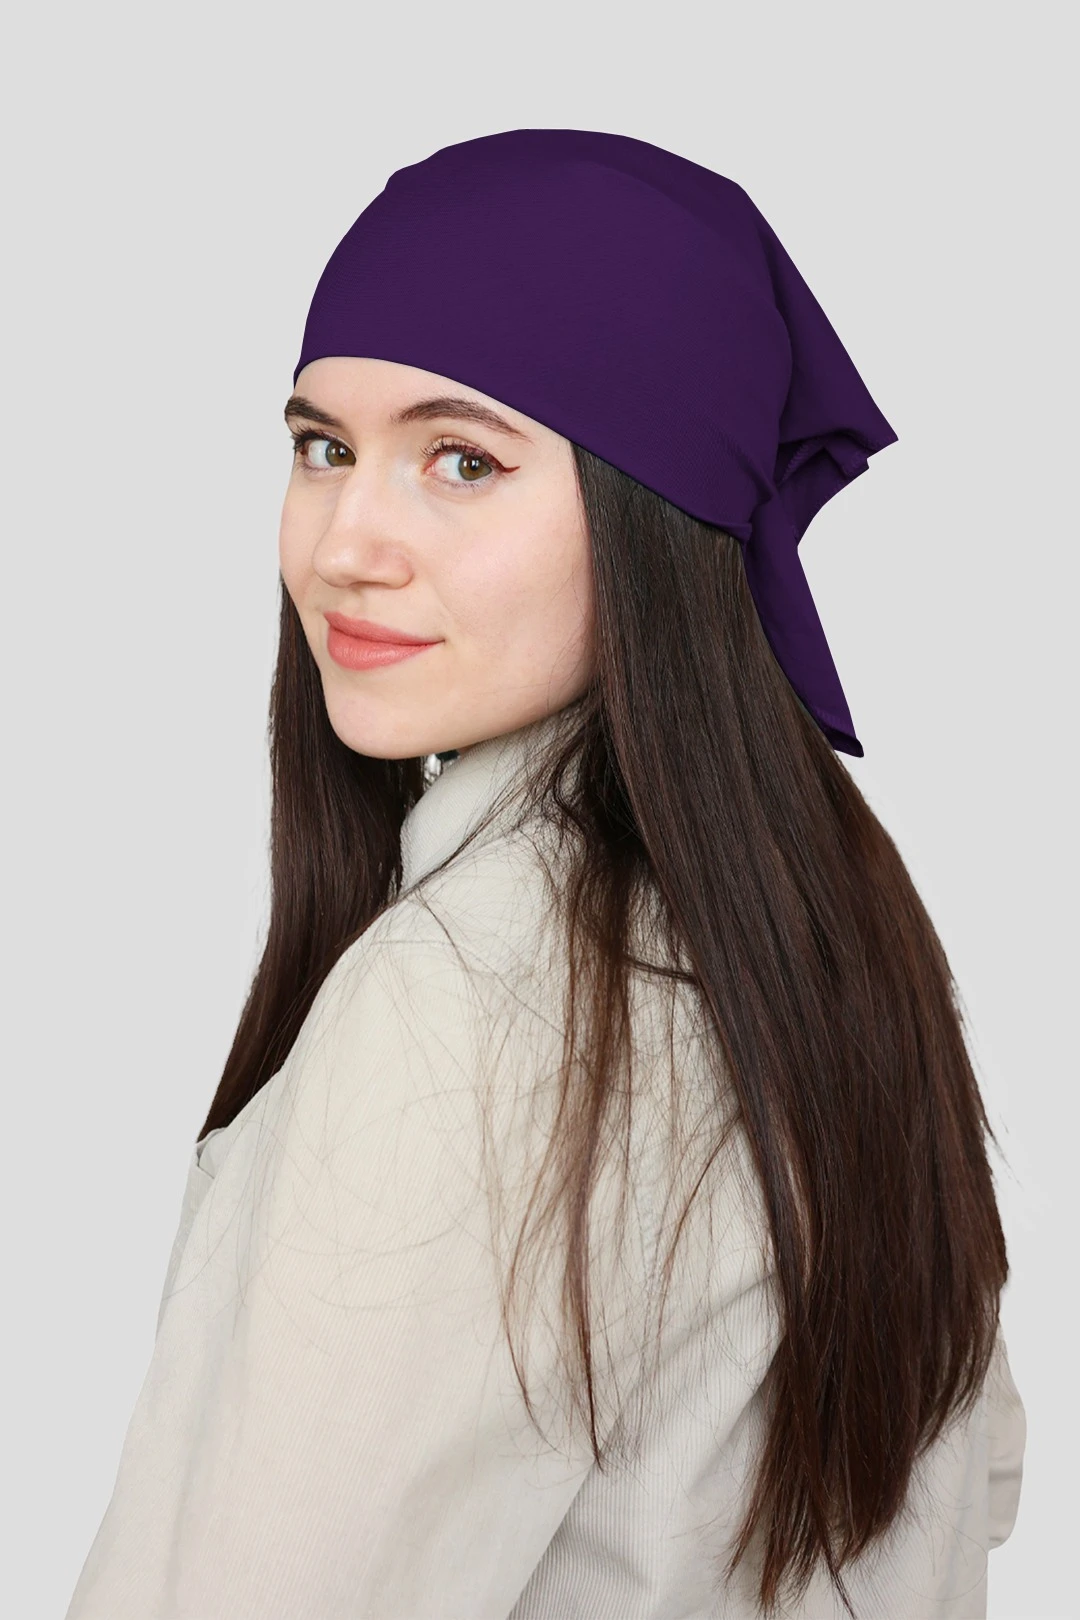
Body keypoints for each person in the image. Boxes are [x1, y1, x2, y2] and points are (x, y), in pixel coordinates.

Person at [64, 129, 1026, 1620]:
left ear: (656, 513)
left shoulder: (469, 1006)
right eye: (322, 448)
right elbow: (979, 1488)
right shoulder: (833, 949)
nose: (346, 543)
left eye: (462, 460)